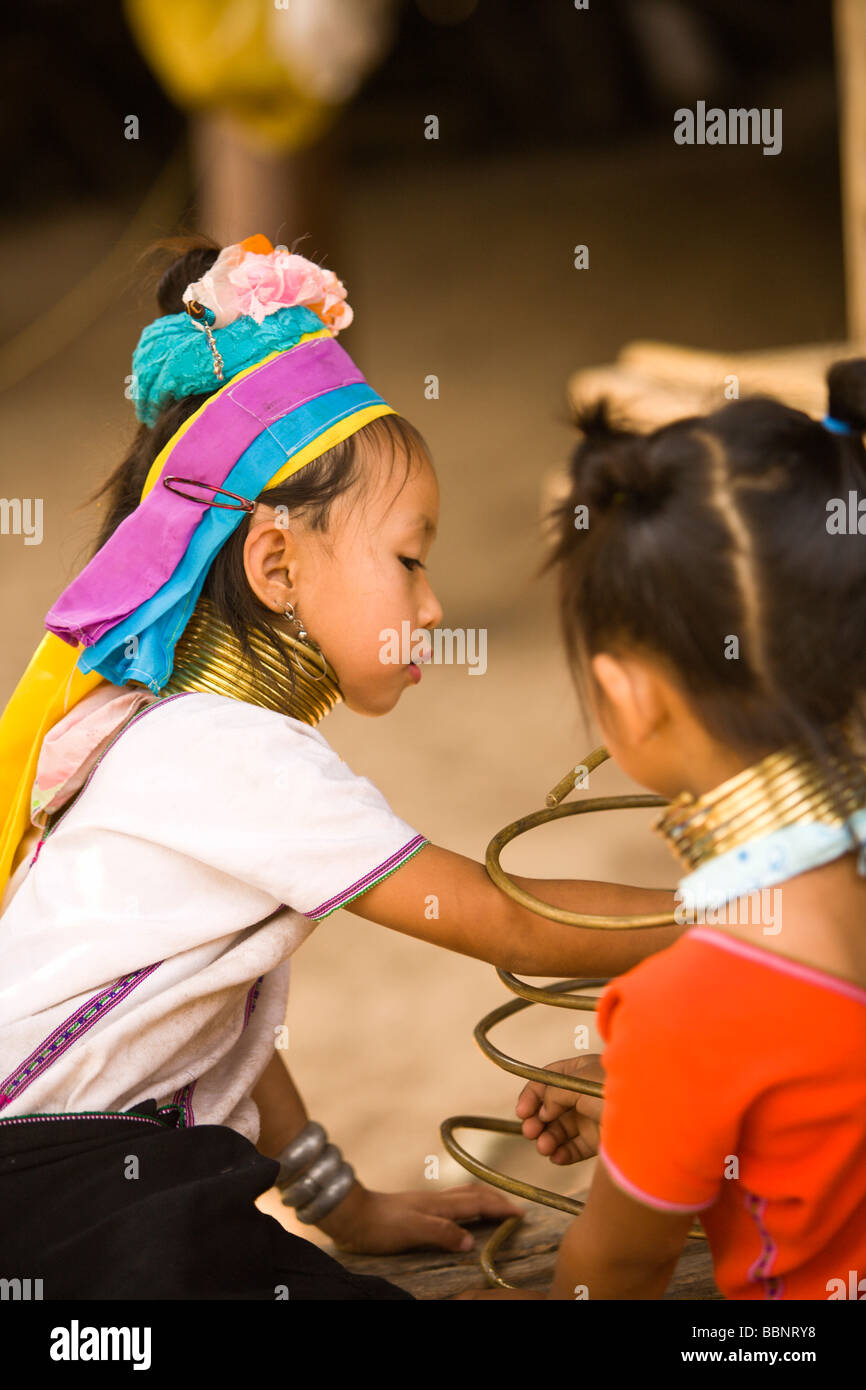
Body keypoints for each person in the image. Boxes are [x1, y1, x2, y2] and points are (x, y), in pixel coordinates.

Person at [0, 232, 678, 1300]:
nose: (432, 605)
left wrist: (342, 1203)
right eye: (408, 558)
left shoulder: (176, 734)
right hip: (60, 1201)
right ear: (274, 562)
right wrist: (742, 915)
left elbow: (211, 1020)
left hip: (94, 1186)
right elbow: (496, 916)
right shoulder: (228, 751)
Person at [457, 367, 866, 1300]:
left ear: (630, 699)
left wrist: (663, 1081)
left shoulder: (691, 1010)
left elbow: (611, 1277)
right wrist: (655, 1106)